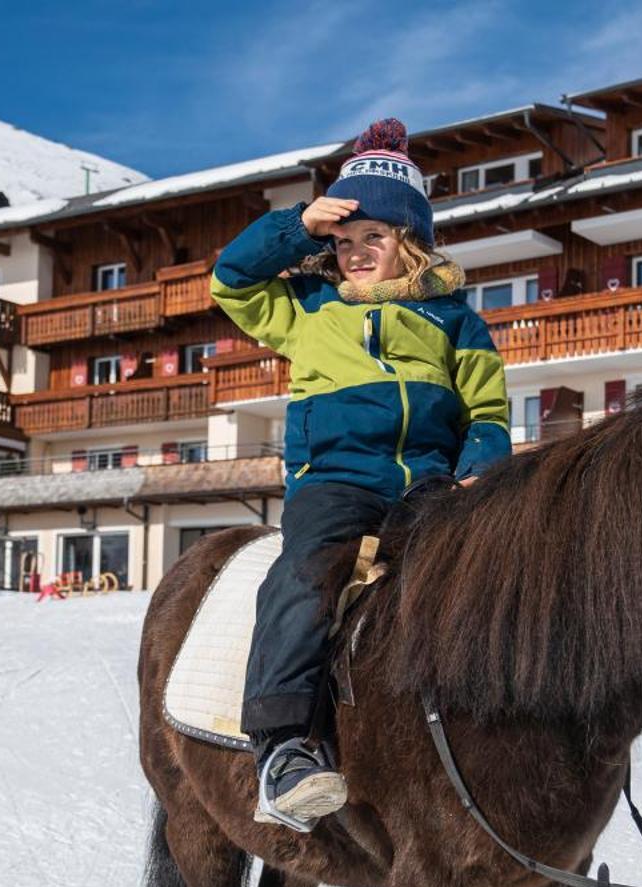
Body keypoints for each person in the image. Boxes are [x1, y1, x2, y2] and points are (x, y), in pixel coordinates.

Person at [210, 117, 511, 832]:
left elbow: (489, 410)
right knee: (308, 573)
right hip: (336, 481)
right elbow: (230, 279)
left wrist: (478, 472)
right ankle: (284, 749)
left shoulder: (453, 320)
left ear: (406, 239)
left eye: (370, 238)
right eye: (342, 242)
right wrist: (297, 228)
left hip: (429, 486)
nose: (353, 254)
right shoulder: (307, 310)